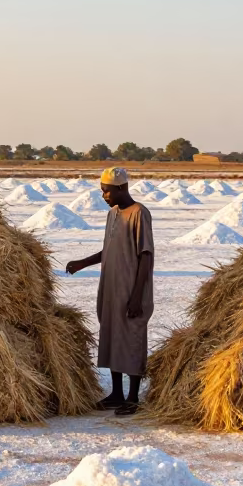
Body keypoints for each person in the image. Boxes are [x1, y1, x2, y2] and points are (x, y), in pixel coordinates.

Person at [65, 167, 154, 415]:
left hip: (132, 290)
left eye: (107, 192)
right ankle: (116, 394)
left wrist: (137, 296)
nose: (104, 197)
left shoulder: (139, 213)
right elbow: (110, 249)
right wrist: (83, 263)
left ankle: (133, 398)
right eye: (102, 192)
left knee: (133, 339)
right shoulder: (113, 214)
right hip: (111, 289)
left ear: (121, 188)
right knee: (113, 336)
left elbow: (145, 256)